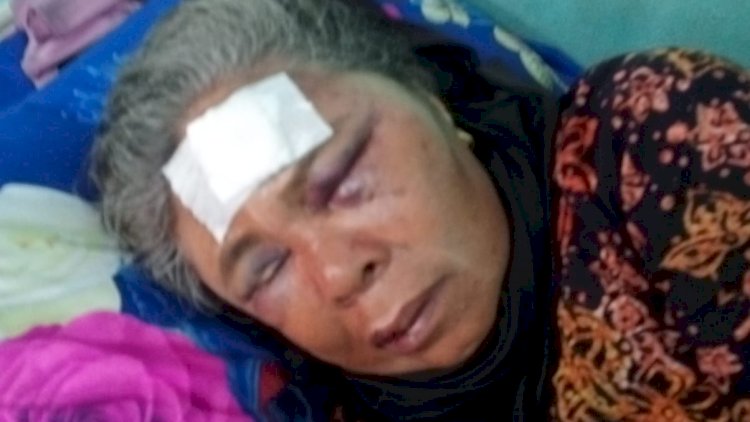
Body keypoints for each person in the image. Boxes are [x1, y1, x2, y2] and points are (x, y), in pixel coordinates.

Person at [91, 0, 750, 420]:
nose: (338, 273)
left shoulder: (653, 137)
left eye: (341, 179)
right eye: (266, 269)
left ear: (431, 100)